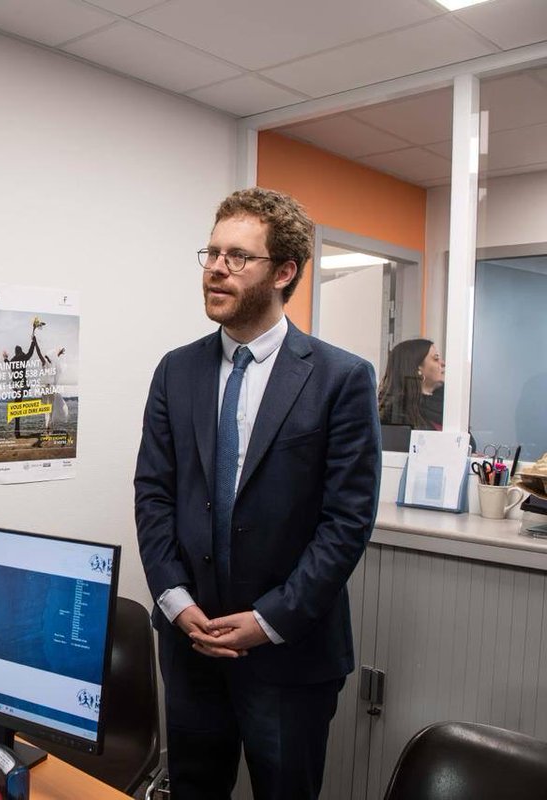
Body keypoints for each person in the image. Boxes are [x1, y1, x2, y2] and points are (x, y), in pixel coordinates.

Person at [134, 187, 381, 799]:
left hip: (289, 655)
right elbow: (154, 494)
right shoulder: (176, 370)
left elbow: (346, 522)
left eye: (238, 257)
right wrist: (172, 599)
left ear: (285, 272)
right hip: (192, 648)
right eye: (212, 252)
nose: (216, 268)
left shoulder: (340, 378)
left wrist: (270, 620)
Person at [378, 338, 445, 430]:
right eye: (436, 358)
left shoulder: (449, 405)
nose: (443, 363)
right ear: (418, 368)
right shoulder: (396, 415)